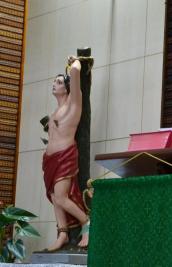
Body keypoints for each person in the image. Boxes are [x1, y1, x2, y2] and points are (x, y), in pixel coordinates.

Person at [42, 56, 89, 251]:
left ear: (68, 88)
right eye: (54, 81)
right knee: (54, 196)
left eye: (59, 82)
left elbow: (76, 72)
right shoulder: (55, 111)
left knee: (61, 197)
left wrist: (75, 61)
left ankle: (87, 223)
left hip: (65, 156)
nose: (55, 84)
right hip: (50, 159)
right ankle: (62, 233)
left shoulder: (73, 105)